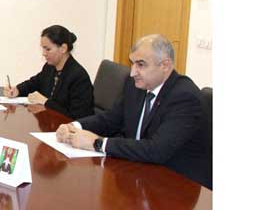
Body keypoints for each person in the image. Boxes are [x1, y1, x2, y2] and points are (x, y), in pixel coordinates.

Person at [55, 34, 211, 189]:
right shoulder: (135, 84)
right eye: (132, 64)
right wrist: (74, 126)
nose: (132, 72)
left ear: (165, 65)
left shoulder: (185, 97)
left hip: (175, 185)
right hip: (138, 172)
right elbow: (111, 119)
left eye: (141, 65)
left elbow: (156, 150)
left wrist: (97, 143)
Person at [4, 25, 94, 119]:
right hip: (49, 123)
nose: (44, 53)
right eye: (43, 48)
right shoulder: (50, 67)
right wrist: (17, 90)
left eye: (48, 49)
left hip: (67, 126)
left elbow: (77, 117)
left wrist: (46, 102)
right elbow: (34, 83)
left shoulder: (79, 77)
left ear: (63, 48)